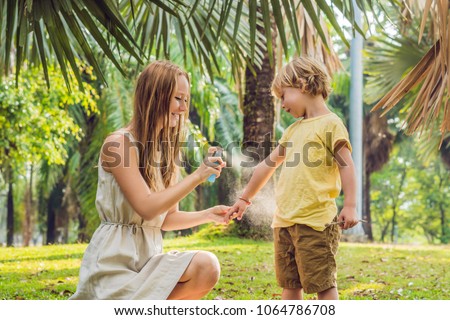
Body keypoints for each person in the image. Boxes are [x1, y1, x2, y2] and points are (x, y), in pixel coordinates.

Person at [70, 60, 229, 300]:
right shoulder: (119, 144)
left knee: (207, 266)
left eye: (186, 100)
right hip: (113, 264)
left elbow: (166, 219)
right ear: (154, 96)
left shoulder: (165, 151)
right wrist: (198, 176)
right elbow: (145, 206)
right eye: (178, 98)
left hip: (148, 262)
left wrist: (208, 215)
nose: (183, 108)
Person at [227, 56, 359, 300]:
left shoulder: (331, 124)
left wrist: (350, 205)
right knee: (290, 284)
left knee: (323, 284)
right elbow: (267, 166)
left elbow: (347, 166)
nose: (282, 105)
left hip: (315, 222)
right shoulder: (292, 131)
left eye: (283, 96)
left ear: (302, 84)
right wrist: (244, 199)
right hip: (284, 222)